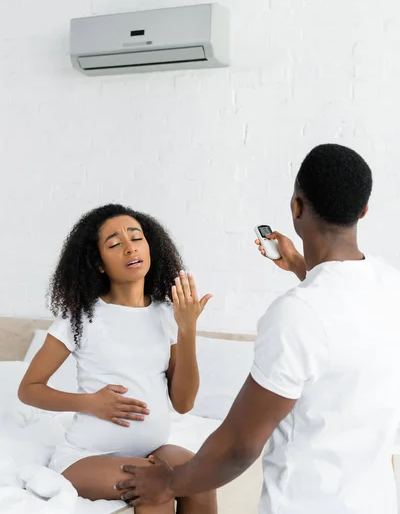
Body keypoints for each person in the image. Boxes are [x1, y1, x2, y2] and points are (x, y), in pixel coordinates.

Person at [116, 144, 400, 514]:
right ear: (363, 210)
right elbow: (343, 313)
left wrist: (168, 482)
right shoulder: (390, 285)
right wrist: (302, 266)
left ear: (296, 207)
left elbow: (239, 446)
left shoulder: (297, 314)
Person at [18, 204, 217, 514]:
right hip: (85, 457)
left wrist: (187, 330)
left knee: (201, 476)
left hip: (151, 450)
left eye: (136, 238)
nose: (129, 248)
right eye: (114, 243)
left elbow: (184, 403)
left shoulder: (168, 315)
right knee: (153, 488)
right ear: (98, 264)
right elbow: (29, 388)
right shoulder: (80, 319)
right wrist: (90, 403)